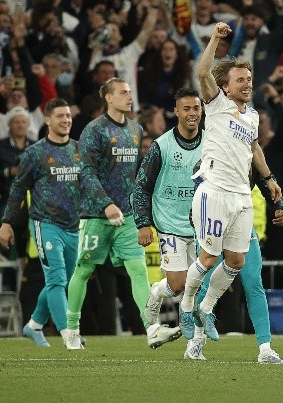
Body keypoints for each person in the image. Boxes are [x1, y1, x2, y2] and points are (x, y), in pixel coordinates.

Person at [178, 22, 281, 342]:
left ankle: (206, 307)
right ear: (225, 86)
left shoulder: (252, 116)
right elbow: (202, 71)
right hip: (215, 191)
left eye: (249, 79)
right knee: (209, 258)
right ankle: (186, 305)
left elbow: (254, 148)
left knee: (236, 261)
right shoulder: (216, 103)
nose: (247, 84)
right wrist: (214, 38)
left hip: (241, 195)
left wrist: (269, 178)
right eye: (240, 80)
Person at [64, 78, 181, 350]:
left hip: (127, 215)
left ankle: (152, 328)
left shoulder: (136, 129)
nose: (129, 97)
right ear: (108, 97)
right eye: (123, 93)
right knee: (84, 270)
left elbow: (135, 175)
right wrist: (106, 203)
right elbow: (86, 172)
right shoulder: (93, 130)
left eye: (130, 92)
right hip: (96, 215)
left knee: (138, 271)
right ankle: (71, 329)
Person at [0, 98, 79, 347]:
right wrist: (7, 223)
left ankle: (34, 325)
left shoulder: (80, 150)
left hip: (74, 226)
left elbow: (90, 186)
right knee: (57, 280)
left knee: (65, 281)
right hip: (46, 223)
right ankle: (69, 335)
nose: (66, 120)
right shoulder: (35, 153)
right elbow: (18, 189)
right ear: (47, 120)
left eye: (68, 116)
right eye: (60, 116)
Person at [189, 167, 283, 364]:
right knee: (208, 283)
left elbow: (267, 182)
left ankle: (265, 348)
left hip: (241, 222)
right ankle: (196, 340)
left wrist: (280, 206)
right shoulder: (212, 156)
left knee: (254, 283)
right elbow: (199, 190)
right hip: (214, 222)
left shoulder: (250, 157)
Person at [134, 87, 203, 338]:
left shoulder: (211, 143)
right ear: (176, 112)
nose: (192, 113)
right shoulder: (161, 146)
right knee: (178, 284)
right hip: (170, 223)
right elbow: (141, 187)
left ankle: (195, 341)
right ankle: (156, 293)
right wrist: (143, 223)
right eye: (186, 109)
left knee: (198, 286)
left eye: (196, 108)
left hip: (200, 225)